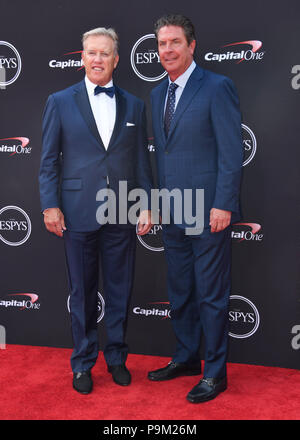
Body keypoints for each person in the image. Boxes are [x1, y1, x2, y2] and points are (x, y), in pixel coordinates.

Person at [39, 27, 153, 394]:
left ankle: (117, 357)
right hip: (76, 211)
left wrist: (147, 204)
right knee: (83, 292)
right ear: (82, 57)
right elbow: (47, 163)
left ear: (116, 60)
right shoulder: (59, 101)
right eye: (92, 53)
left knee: (119, 289)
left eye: (105, 53)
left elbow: (141, 164)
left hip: (122, 209)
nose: (98, 59)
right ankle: (83, 362)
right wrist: (50, 205)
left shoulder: (135, 105)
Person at [148, 14, 243, 403]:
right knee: (181, 291)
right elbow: (163, 157)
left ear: (191, 46)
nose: (167, 50)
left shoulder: (217, 87)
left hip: (208, 213)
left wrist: (224, 203)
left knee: (211, 295)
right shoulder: (156, 95)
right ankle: (187, 358)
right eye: (161, 44)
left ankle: (215, 373)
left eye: (174, 42)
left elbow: (231, 152)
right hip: (172, 211)